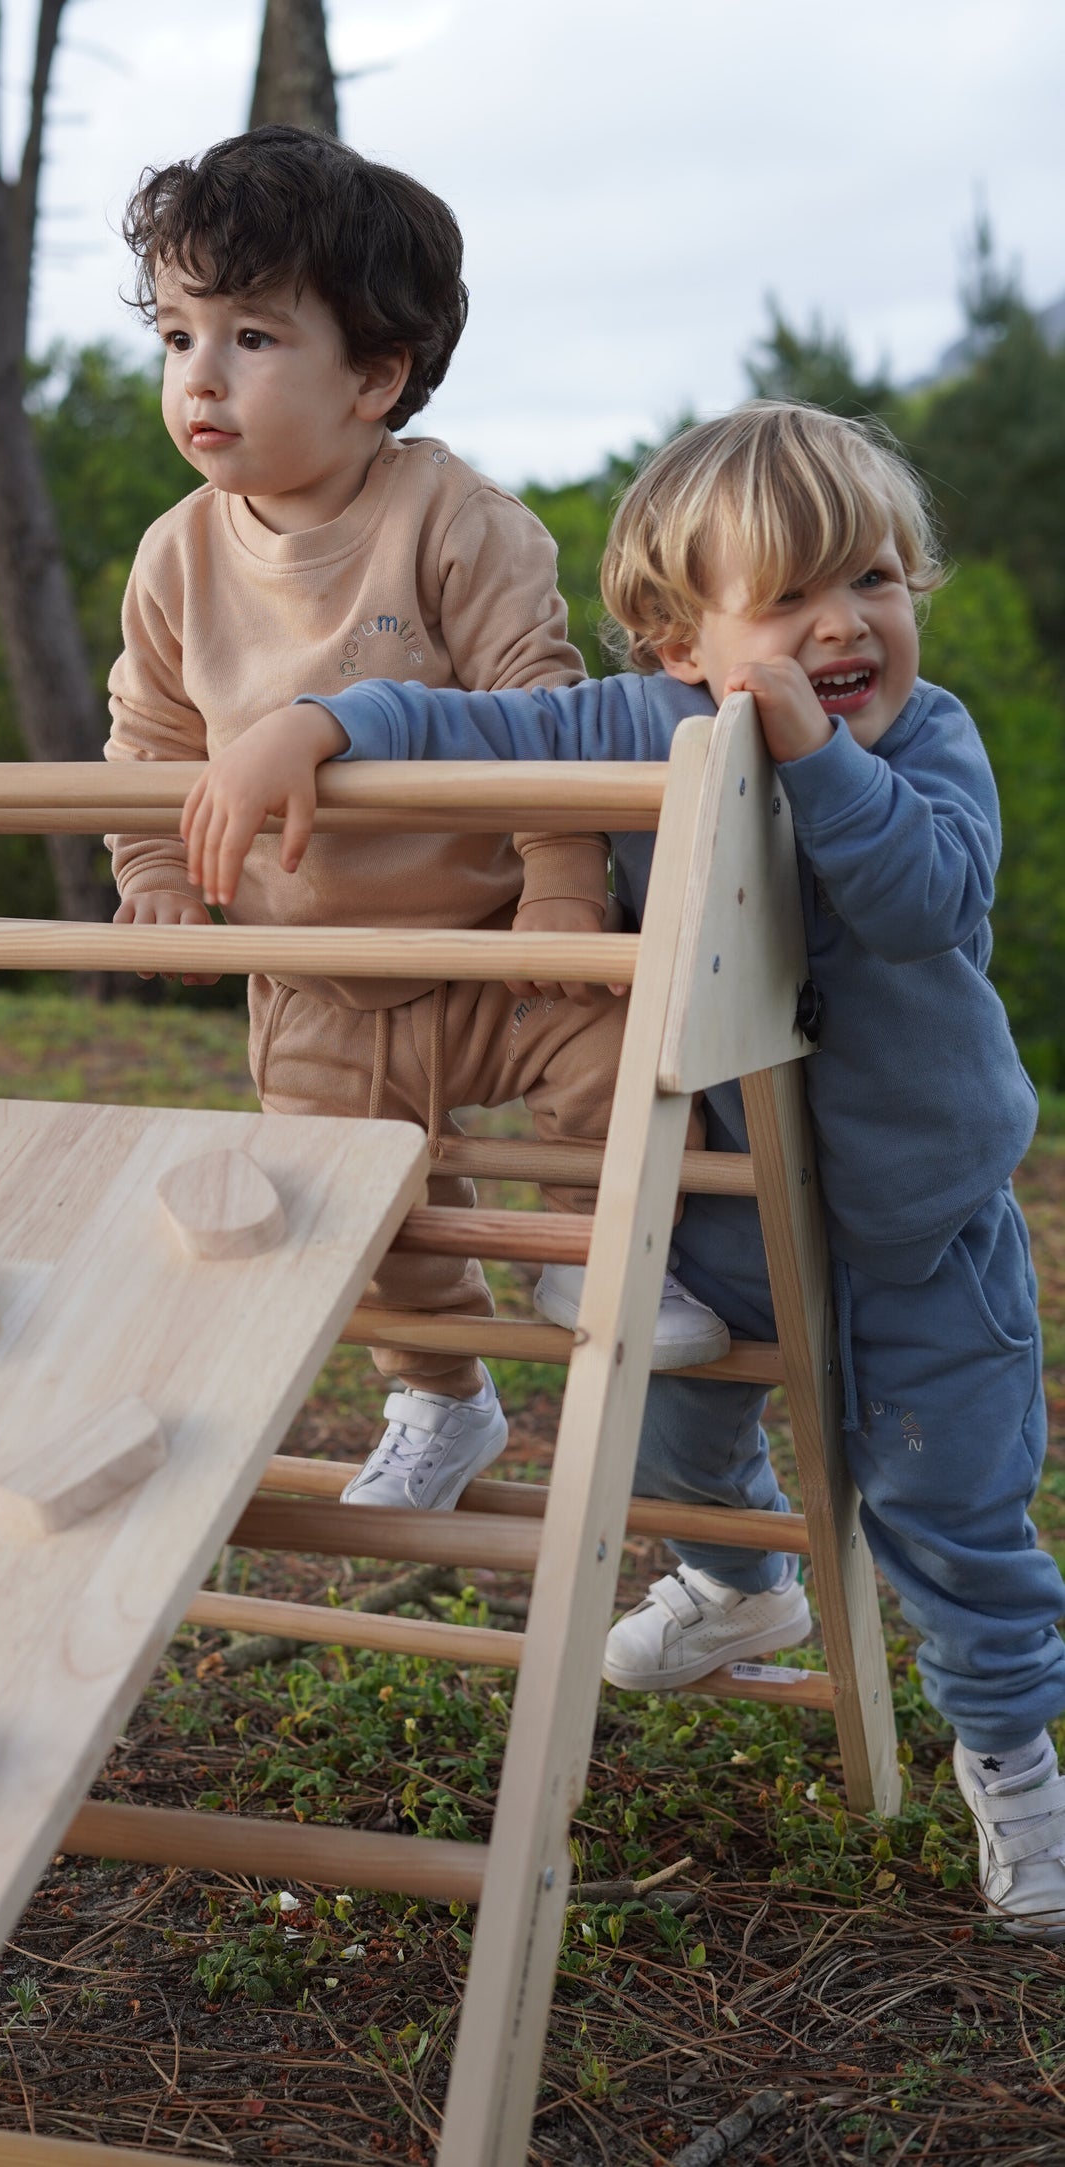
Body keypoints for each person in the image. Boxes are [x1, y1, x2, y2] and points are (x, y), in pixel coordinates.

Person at [180, 400, 1065, 1938]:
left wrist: (800, 745)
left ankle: (1013, 1763)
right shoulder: (630, 723)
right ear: (673, 639)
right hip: (724, 1212)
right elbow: (472, 728)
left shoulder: (925, 743)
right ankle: (733, 1587)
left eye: (869, 580)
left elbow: (926, 902)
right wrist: (313, 725)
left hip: (923, 1228)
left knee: (956, 1513)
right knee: (667, 1419)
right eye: (786, 600)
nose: (841, 624)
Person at [104, 124, 728, 1514]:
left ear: (374, 375)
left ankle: (587, 1241)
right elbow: (147, 732)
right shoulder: (174, 556)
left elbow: (543, 710)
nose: (200, 377)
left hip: (494, 933)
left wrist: (565, 892)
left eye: (252, 336)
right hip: (319, 975)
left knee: (615, 1057)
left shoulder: (454, 519)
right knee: (349, 1209)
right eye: (175, 335)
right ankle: (440, 1397)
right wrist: (150, 864)